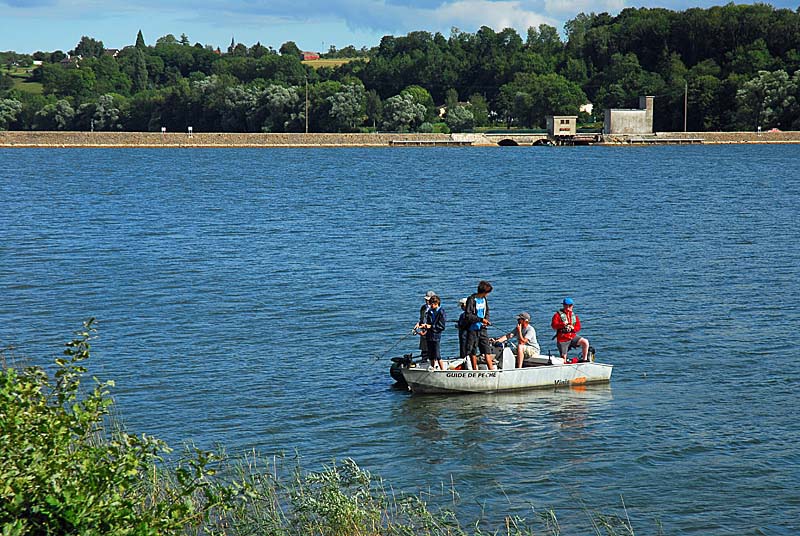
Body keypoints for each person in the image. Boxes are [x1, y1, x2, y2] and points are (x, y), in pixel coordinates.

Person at [463, 280, 494, 370]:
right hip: (472, 329)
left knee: (486, 350)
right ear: (484, 291)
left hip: (482, 328)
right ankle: (474, 369)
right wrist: (480, 319)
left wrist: (486, 320)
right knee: (473, 350)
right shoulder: (471, 299)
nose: (487, 294)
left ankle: (491, 370)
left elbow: (487, 311)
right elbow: (468, 315)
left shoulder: (484, 299)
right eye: (487, 292)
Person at [551, 297, 590, 363]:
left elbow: (578, 327)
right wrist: (563, 324)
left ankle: (584, 360)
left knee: (585, 342)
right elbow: (554, 326)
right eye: (566, 305)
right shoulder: (557, 315)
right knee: (564, 358)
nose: (568, 307)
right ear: (563, 305)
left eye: (570, 305)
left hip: (572, 336)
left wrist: (573, 328)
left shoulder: (574, 316)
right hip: (562, 338)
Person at [419, 295, 446, 370]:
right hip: (429, 335)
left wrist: (430, 326)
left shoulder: (441, 312)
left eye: (432, 304)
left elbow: (441, 327)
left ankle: (442, 369)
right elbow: (427, 322)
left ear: (436, 303)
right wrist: (424, 328)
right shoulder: (430, 311)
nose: (431, 305)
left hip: (436, 336)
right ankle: (432, 367)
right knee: (431, 354)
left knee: (437, 355)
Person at [414, 290, 435, 359]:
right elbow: (421, 319)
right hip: (423, 331)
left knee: (431, 349)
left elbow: (434, 323)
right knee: (424, 349)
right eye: (426, 299)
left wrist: (426, 331)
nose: (427, 301)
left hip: (431, 332)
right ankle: (424, 360)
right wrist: (418, 324)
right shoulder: (423, 308)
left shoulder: (434, 309)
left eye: (428, 300)